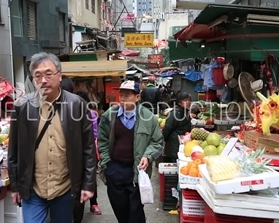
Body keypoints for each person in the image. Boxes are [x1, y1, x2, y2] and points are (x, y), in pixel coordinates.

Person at [7, 52, 96, 223]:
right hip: (33, 189)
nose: (43, 80)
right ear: (33, 79)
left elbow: (88, 149)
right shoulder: (22, 106)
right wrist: (16, 186)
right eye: (38, 75)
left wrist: (88, 184)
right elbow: (14, 151)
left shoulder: (77, 105)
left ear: (59, 76)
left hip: (64, 188)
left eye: (48, 74)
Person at [98, 80, 163, 223]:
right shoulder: (109, 116)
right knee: (120, 210)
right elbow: (101, 140)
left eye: (127, 95)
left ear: (137, 97)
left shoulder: (148, 117)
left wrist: (147, 156)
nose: (122, 99)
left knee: (136, 214)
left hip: (137, 172)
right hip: (115, 170)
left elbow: (157, 142)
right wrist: (106, 162)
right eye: (121, 95)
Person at [73, 90, 102, 223]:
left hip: (88, 151)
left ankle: (93, 203)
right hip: (73, 153)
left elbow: (94, 134)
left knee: (89, 178)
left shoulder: (91, 115)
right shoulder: (69, 114)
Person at [162, 92, 192, 163]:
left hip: (180, 143)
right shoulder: (176, 113)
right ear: (179, 103)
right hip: (174, 145)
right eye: (185, 100)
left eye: (189, 100)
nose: (188, 102)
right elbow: (167, 129)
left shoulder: (184, 112)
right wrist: (164, 140)